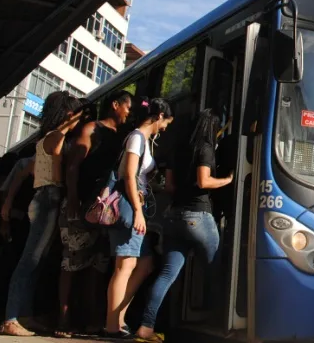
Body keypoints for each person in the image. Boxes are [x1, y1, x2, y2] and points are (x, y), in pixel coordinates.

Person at [135, 109, 234, 342]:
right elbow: (204, 181)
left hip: (173, 216)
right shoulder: (206, 149)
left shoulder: (178, 150)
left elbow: (169, 187)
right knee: (214, 270)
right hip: (198, 217)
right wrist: (228, 180)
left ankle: (145, 327)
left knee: (167, 274)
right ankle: (214, 322)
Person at [0, 91, 83, 337]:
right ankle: (11, 318)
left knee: (36, 260)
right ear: (69, 115)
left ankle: (23, 315)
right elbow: (56, 173)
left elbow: (24, 170)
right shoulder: (57, 137)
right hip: (48, 199)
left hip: (43, 199)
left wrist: (8, 202)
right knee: (30, 261)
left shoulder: (47, 137)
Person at [55, 91, 133, 338]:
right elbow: (73, 167)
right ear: (115, 105)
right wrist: (74, 200)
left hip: (106, 212)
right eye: (127, 107)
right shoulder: (91, 128)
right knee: (72, 263)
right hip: (81, 205)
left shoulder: (123, 136)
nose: (129, 113)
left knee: (96, 267)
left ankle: (89, 319)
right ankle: (64, 319)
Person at [104, 97, 173, 338]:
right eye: (166, 123)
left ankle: (118, 320)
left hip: (135, 204)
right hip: (129, 206)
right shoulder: (136, 138)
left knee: (143, 264)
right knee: (125, 266)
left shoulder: (142, 139)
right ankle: (112, 325)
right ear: (159, 116)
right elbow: (130, 176)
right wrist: (137, 210)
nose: (165, 128)